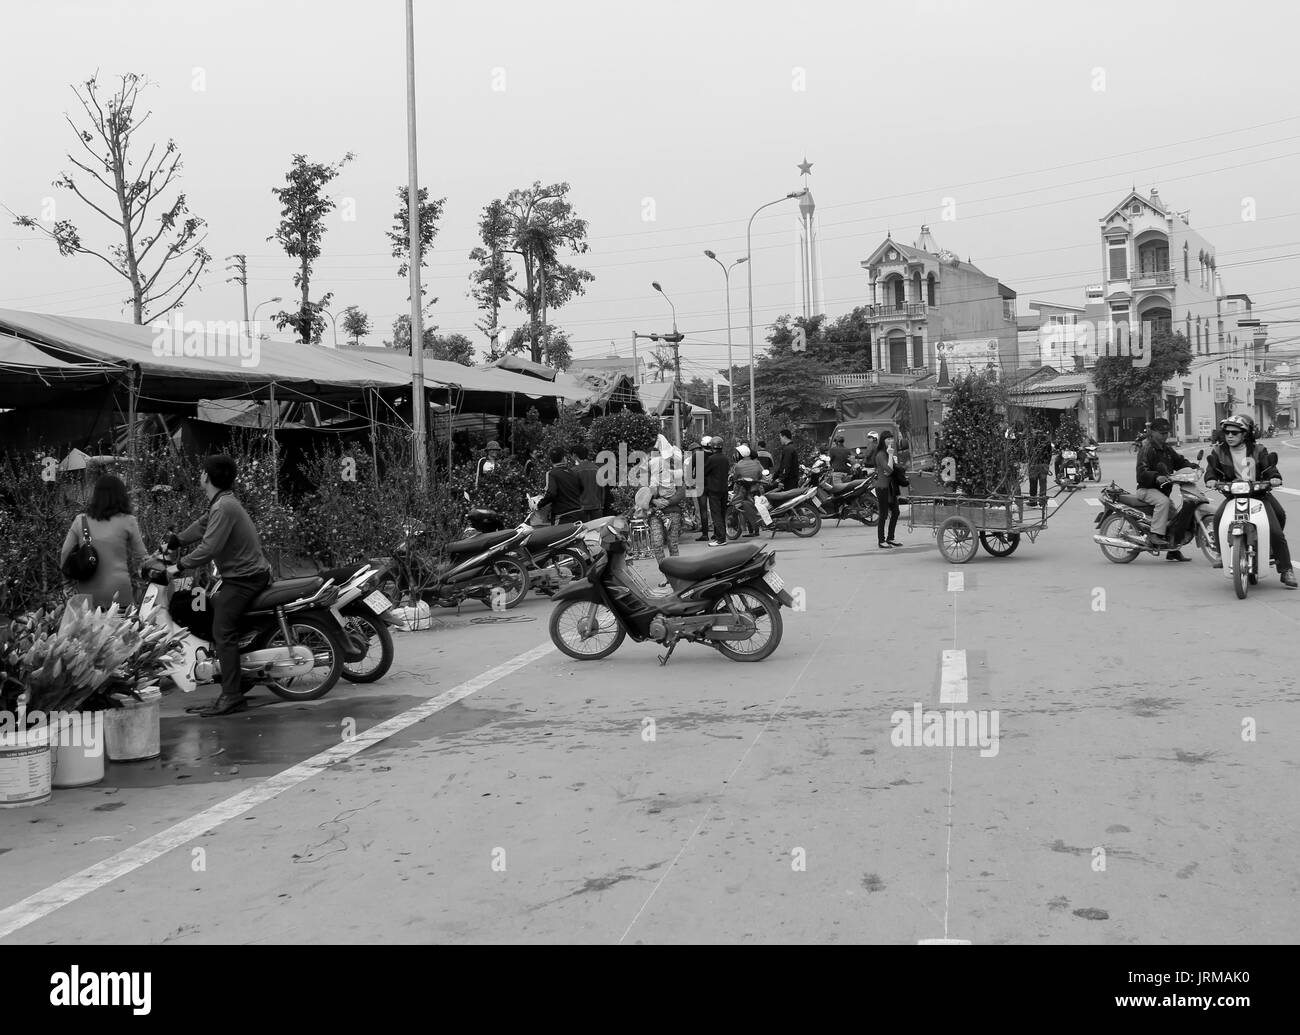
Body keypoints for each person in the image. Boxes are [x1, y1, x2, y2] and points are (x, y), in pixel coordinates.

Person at [170, 455, 273, 716]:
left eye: (201, 472)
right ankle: (238, 677)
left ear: (207, 476)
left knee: (222, 630)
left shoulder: (223, 507)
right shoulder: (222, 503)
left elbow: (209, 547)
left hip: (245, 579)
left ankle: (232, 695)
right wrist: (176, 541)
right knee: (214, 607)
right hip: (241, 576)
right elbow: (201, 526)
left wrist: (177, 566)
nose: (199, 476)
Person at [1204, 415, 1295, 588]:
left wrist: (1274, 477)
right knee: (1218, 519)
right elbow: (1211, 470)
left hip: (1259, 495)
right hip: (1233, 496)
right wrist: (1210, 479)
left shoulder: (1259, 450)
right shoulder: (1218, 451)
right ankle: (1221, 554)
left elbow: (1270, 469)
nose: (1229, 436)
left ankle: (1286, 570)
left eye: (1234, 433)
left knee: (1276, 528)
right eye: (1227, 432)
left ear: (1245, 434)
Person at [59, 473, 148, 611]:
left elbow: (65, 552)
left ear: (96, 496)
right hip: (120, 592)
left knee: (91, 632)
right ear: (122, 496)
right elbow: (141, 557)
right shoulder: (129, 521)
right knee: (122, 631)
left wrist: (67, 584)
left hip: (87, 594)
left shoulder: (80, 520)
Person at [1135, 418, 1197, 559]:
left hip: (1161, 491)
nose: (1164, 436)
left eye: (1166, 433)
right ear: (1153, 432)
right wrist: (1156, 476)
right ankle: (1155, 535)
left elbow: (1179, 461)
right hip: (1146, 489)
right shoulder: (1147, 448)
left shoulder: (1166, 449)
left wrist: (1193, 467)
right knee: (1163, 502)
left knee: (1175, 518)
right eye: (1161, 433)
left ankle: (1173, 551)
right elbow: (1141, 473)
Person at [538, 446, 585, 525]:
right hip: (579, 513)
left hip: (563, 517)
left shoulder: (551, 473)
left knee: (559, 537)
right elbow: (581, 488)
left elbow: (551, 494)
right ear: (564, 458)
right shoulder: (573, 473)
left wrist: (539, 505)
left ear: (550, 460)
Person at [874, 430, 903, 548]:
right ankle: (881, 541)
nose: (890, 441)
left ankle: (891, 538)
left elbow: (891, 470)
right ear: (883, 441)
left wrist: (891, 457)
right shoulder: (881, 454)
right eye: (888, 439)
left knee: (896, 512)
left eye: (891, 439)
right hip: (882, 488)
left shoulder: (887, 453)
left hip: (890, 488)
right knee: (884, 514)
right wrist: (891, 455)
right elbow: (889, 470)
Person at [702, 438, 731, 547]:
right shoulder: (725, 458)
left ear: (712, 446)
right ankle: (720, 536)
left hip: (714, 490)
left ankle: (720, 538)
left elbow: (704, 471)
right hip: (724, 489)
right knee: (722, 513)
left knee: (716, 514)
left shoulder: (711, 459)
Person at [732, 445, 765, 537]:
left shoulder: (738, 465)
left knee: (745, 508)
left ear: (740, 454)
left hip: (744, 490)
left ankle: (751, 530)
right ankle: (756, 530)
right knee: (754, 508)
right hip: (756, 489)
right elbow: (761, 474)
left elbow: (735, 477)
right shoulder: (757, 463)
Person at [573, 443, 607, 521]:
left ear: (575, 455)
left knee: (582, 531)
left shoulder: (574, 471)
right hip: (597, 506)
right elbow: (602, 489)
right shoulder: (597, 469)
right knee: (597, 531)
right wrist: (601, 504)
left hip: (580, 507)